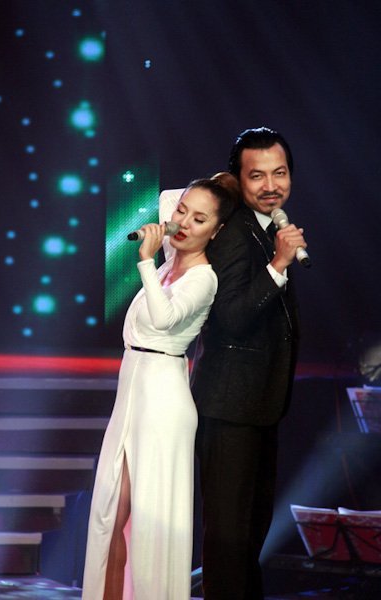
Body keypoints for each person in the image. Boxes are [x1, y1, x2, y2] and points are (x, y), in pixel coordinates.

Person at [82, 176, 237, 600]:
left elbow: (165, 319)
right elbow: (171, 198)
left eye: (200, 219)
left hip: (163, 402)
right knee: (110, 516)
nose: (184, 222)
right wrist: (209, 192)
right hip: (132, 392)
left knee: (147, 523)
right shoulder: (171, 259)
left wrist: (146, 263)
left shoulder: (203, 278)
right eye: (182, 211)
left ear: (217, 231)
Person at [190, 126, 308, 599]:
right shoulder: (235, 234)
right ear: (239, 180)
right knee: (228, 536)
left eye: (279, 173)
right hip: (229, 406)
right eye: (257, 175)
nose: (271, 185)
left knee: (250, 533)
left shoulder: (267, 229)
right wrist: (278, 265)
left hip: (259, 404)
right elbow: (232, 318)